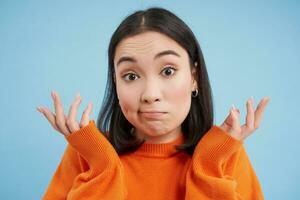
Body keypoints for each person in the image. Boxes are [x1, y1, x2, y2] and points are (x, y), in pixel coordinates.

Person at [37, 7, 270, 200]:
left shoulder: (224, 154)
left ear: (193, 77)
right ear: (116, 84)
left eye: (168, 71)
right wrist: (103, 166)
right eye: (131, 76)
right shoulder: (88, 153)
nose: (150, 94)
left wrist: (208, 165)